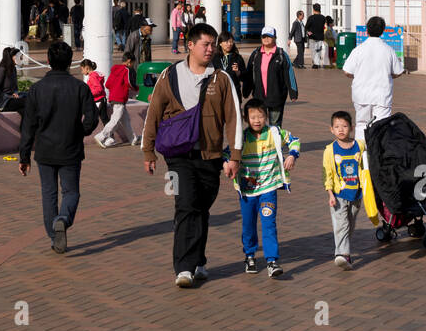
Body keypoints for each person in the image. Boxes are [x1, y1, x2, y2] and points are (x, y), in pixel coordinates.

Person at [142, 22, 243, 288]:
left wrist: (235, 157)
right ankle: (183, 268)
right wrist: (148, 150)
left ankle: (198, 259)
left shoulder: (221, 78)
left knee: (202, 207)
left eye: (213, 44)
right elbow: (153, 112)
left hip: (210, 156)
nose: (211, 49)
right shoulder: (169, 75)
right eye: (205, 44)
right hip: (177, 155)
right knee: (185, 204)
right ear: (190, 46)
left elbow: (234, 118)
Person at [18, 41, 99, 254]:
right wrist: (81, 131)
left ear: (48, 61)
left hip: (44, 150)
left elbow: (28, 126)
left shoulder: (36, 89)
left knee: (49, 194)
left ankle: (55, 237)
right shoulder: (80, 87)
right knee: (71, 191)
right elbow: (92, 118)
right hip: (70, 148)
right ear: (70, 62)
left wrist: (24, 156)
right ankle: (63, 218)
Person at [232, 98, 299, 278]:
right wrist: (226, 164)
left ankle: (272, 260)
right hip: (248, 190)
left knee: (269, 224)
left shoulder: (274, 132)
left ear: (266, 117)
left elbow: (293, 140)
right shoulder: (242, 137)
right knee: (248, 225)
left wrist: (292, 155)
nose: (257, 120)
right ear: (246, 118)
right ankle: (250, 255)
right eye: (253, 117)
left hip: (269, 188)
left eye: (260, 116)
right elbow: (228, 153)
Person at [322, 110, 378, 270]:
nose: (341, 129)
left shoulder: (359, 146)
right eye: (337, 126)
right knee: (342, 224)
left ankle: (343, 252)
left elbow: (365, 166)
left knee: (350, 223)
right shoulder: (330, 150)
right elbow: (327, 173)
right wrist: (330, 193)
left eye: (345, 126)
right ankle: (342, 254)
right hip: (338, 194)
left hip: (356, 193)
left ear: (351, 128)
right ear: (331, 129)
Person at [342, 15, 405, 140]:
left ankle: (361, 155)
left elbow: (347, 71)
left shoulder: (358, 50)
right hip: (382, 95)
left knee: (361, 125)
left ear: (367, 30)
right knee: (382, 127)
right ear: (382, 31)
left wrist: (359, 75)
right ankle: (379, 155)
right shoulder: (389, 50)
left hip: (361, 94)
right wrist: (388, 75)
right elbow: (398, 71)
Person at [245, 25, 299, 126]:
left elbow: (289, 74)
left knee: (275, 126)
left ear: (274, 38)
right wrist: (246, 91)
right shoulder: (256, 54)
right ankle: (263, 142)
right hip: (259, 97)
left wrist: (293, 92)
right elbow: (249, 73)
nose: (266, 39)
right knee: (259, 125)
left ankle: (275, 142)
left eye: (269, 36)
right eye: (264, 37)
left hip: (276, 97)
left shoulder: (281, 54)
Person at [97, 51, 139, 148]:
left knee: (125, 120)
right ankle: (101, 136)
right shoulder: (126, 70)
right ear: (129, 61)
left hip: (113, 98)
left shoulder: (114, 70)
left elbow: (107, 84)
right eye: (133, 63)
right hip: (120, 98)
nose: (132, 65)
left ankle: (133, 139)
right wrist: (137, 88)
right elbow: (129, 83)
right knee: (115, 120)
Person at [213, 30, 249, 98]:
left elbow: (245, 77)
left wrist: (238, 72)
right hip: (218, 93)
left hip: (234, 93)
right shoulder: (214, 58)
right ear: (220, 43)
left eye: (231, 41)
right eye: (226, 42)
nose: (229, 44)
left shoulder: (237, 57)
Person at [0, 47, 23, 113]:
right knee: (26, 102)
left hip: (12, 98)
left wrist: (15, 93)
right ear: (12, 57)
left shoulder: (13, 69)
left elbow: (15, 88)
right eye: (20, 57)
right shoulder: (2, 69)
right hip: (4, 101)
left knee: (30, 96)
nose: (21, 59)